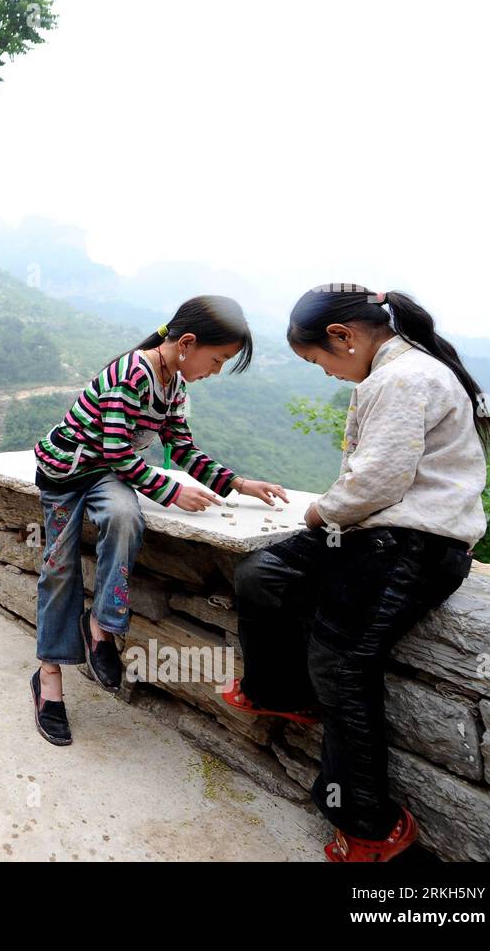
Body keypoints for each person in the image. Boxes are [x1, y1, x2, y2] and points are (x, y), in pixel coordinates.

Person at [223, 283, 490, 862]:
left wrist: (320, 510)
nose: (324, 372)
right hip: (375, 537)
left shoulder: (404, 378)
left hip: (414, 547)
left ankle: (371, 827)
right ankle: (280, 692)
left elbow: (377, 482)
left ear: (343, 337)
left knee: (342, 663)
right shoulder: (392, 375)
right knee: (262, 574)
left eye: (318, 359)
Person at [31, 296, 289, 746]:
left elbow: (183, 450)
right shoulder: (133, 373)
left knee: (125, 515)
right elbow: (115, 449)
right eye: (218, 359)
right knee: (59, 569)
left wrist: (241, 484)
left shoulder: (176, 389)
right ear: (187, 343)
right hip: (66, 474)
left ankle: (102, 627)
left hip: (106, 475)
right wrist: (171, 492)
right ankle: (48, 675)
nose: (217, 370)